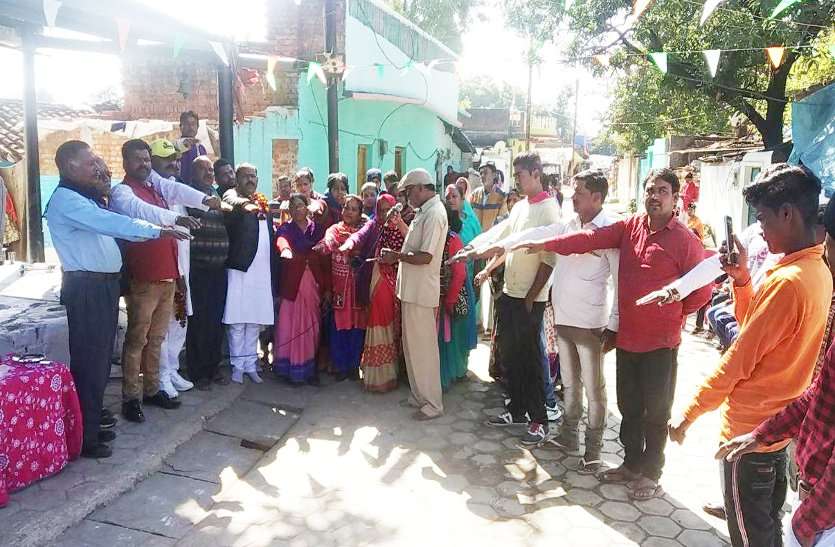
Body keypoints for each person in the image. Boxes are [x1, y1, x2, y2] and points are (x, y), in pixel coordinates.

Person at [511, 167, 711, 497]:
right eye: (650, 189)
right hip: (628, 338)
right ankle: (631, 464)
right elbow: (589, 239)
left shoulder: (685, 239)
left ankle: (651, 473)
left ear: (676, 198)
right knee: (630, 406)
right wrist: (546, 243)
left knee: (656, 411)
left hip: (661, 342)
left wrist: (673, 313)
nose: (654, 196)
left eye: (662, 191)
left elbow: (702, 289)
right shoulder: (631, 227)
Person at [667, 165, 831, 547]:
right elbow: (758, 331)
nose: (759, 229)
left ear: (787, 214)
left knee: (750, 537)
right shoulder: (815, 269)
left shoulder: (789, 282)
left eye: (762, 218)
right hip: (776, 431)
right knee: (767, 527)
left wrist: (688, 414)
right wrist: (741, 280)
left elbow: (739, 358)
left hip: (748, 437)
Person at [46, 141, 186, 458]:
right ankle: (85, 439)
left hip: (102, 287)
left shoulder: (86, 197)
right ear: (70, 166)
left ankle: (90, 423)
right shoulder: (67, 200)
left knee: (98, 362)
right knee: (91, 362)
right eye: (91, 163)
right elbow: (112, 224)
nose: (98, 167)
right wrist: (159, 230)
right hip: (88, 289)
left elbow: (113, 225)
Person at [488, 169, 620, 472]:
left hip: (590, 324)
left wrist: (614, 325)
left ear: (597, 197)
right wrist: (496, 247)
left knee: (594, 390)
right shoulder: (569, 224)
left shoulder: (609, 231)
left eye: (579, 193)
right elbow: (538, 235)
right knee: (570, 385)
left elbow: (619, 281)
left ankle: (594, 449)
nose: (573, 197)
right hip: (564, 318)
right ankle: (568, 437)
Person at [454, 151, 561, 444]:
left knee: (530, 360)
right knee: (511, 358)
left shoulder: (549, 209)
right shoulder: (521, 207)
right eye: (515, 175)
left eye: (521, 175)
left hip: (530, 299)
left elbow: (549, 260)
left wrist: (531, 297)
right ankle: (516, 410)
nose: (516, 181)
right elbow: (505, 243)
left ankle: (539, 420)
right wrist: (486, 267)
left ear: (536, 174)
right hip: (510, 293)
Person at [110, 139, 218, 423]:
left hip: (169, 275)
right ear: (125, 162)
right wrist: (175, 219)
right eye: (138, 159)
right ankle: (131, 397)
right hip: (144, 279)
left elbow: (176, 190)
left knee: (157, 338)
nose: (144, 164)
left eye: (146, 159)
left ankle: (152, 388)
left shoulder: (155, 186)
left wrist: (204, 200)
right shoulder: (122, 192)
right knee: (137, 339)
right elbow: (142, 212)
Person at [382, 168, 448, 420]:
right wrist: (399, 223)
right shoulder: (424, 212)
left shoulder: (435, 213)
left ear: (421, 188)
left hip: (421, 292)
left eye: (409, 191)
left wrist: (396, 256)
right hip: (411, 289)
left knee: (424, 351)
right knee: (412, 348)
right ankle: (419, 396)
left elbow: (425, 256)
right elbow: (414, 244)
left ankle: (432, 404)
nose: (406, 197)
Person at [342, 193, 410, 393]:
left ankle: (393, 373)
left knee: (393, 327)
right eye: (381, 210)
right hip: (378, 280)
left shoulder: (402, 228)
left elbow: (411, 250)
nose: (385, 214)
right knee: (378, 323)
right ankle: (379, 377)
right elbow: (360, 235)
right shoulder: (373, 225)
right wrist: (350, 243)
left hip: (398, 282)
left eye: (388, 210)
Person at [149, 139, 196, 399]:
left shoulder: (175, 187)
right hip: (164, 268)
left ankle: (173, 369)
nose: (174, 163)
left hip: (182, 267)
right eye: (167, 159)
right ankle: (162, 376)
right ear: (152, 161)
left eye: (176, 159)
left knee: (180, 321)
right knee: (163, 326)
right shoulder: (152, 190)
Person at [222, 164, 277, 384]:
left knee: (254, 320)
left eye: (253, 176)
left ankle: (250, 364)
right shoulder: (232, 197)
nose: (250, 180)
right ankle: (237, 366)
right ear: (237, 179)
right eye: (245, 176)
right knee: (237, 321)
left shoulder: (262, 202)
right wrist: (245, 205)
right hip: (240, 268)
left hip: (261, 271)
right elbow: (231, 199)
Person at [186, 156, 231, 390]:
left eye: (211, 170)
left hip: (218, 269)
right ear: (193, 173)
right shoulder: (190, 195)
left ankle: (213, 368)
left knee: (215, 321)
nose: (209, 173)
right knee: (199, 322)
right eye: (202, 169)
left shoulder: (216, 194)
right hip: (198, 269)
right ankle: (198, 372)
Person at [274, 194, 330, 385]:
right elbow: (282, 240)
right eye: (294, 207)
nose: (297, 209)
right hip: (291, 285)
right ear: (289, 210)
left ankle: (309, 369)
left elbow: (326, 261)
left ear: (307, 207)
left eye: (301, 205)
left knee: (311, 328)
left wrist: (328, 289)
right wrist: (285, 250)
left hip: (314, 284)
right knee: (288, 326)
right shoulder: (285, 228)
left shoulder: (318, 230)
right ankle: (288, 369)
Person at [314, 195, 368, 380]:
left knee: (357, 327)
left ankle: (353, 366)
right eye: (346, 207)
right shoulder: (335, 229)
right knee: (340, 327)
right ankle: (340, 366)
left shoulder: (364, 232)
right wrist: (322, 246)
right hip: (339, 288)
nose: (348, 212)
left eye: (353, 209)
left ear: (360, 213)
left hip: (358, 289)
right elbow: (328, 241)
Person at [444, 184, 480, 379]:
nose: (450, 200)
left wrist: (477, 279)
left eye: (454, 196)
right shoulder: (443, 222)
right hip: (446, 281)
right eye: (448, 197)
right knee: (449, 327)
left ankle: (460, 366)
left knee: (461, 321)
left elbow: (480, 250)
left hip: (464, 278)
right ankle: (452, 366)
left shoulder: (470, 222)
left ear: (462, 198)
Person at [437, 201, 470, 390]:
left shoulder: (453, 239)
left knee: (451, 337)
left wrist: (450, 300)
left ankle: (452, 373)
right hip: (436, 296)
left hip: (450, 295)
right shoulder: (434, 237)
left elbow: (459, 273)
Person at [470, 163, 508, 233]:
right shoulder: (475, 194)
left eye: (485, 173)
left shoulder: (502, 196)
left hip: (492, 237)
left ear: (494, 175)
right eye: (481, 173)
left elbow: (502, 220)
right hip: (475, 237)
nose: (482, 176)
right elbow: (469, 216)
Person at [176, 111, 207, 186]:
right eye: (187, 124)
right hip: (181, 187)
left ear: (198, 126)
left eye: (193, 124)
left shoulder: (201, 148)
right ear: (181, 127)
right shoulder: (175, 147)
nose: (191, 127)